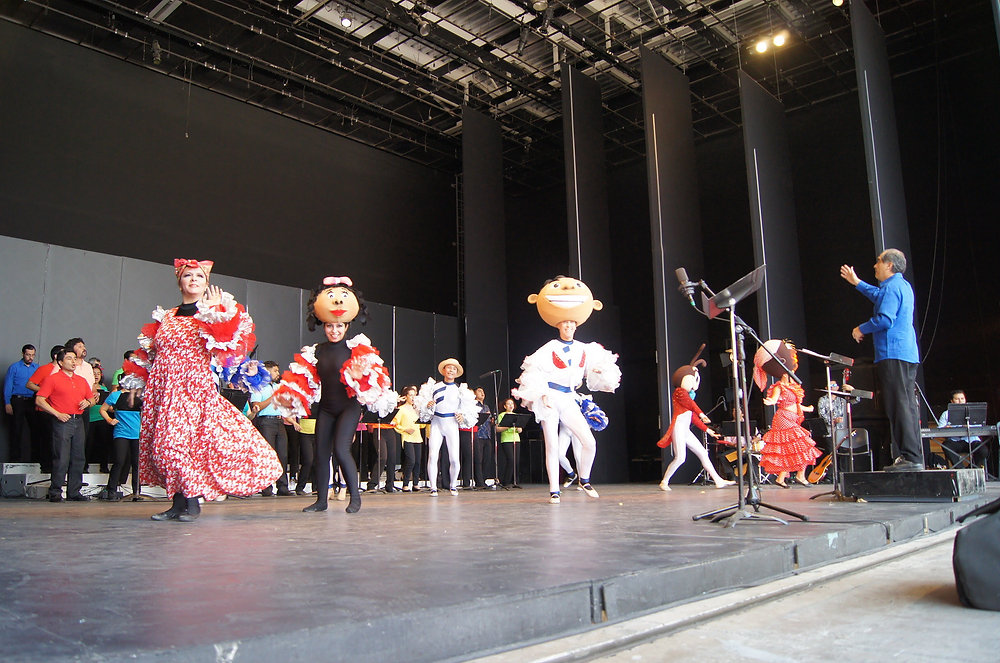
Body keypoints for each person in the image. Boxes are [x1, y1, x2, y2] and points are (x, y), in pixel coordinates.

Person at [120, 258, 283, 522]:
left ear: (206, 283)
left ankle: (192, 501)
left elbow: (228, 348)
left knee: (185, 444)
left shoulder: (210, 314)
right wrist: (137, 384)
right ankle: (177, 502)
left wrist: (219, 315)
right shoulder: (167, 317)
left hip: (193, 387)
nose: (193, 279)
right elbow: (150, 353)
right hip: (163, 389)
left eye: (199, 276)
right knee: (164, 447)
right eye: (188, 275)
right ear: (179, 281)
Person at [273, 276, 395, 514]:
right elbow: (303, 383)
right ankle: (321, 501)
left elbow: (372, 386)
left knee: (341, 450)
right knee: (320, 453)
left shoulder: (356, 349)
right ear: (324, 325)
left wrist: (359, 375)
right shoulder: (316, 351)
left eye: (339, 326)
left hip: (348, 408)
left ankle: (355, 498)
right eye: (330, 326)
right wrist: (289, 400)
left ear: (346, 326)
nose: (334, 330)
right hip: (326, 409)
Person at [513, 276, 621, 504]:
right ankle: (554, 489)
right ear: (559, 325)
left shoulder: (586, 349)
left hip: (569, 398)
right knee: (552, 445)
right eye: (565, 324)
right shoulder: (550, 347)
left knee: (589, 441)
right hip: (551, 397)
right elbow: (533, 370)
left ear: (576, 326)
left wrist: (598, 372)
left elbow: (593, 372)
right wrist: (541, 394)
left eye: (572, 324)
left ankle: (585, 478)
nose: (568, 327)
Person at [840, 249, 923, 471]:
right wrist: (857, 282)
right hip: (905, 353)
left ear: (889, 265)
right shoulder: (899, 286)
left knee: (899, 405)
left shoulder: (893, 287)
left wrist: (861, 328)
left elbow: (885, 319)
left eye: (878, 261)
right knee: (904, 405)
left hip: (894, 353)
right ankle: (913, 456)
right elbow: (879, 297)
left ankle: (910, 458)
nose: (875, 265)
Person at [656, 345, 734, 491]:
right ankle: (664, 481)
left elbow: (692, 417)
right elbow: (691, 404)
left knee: (703, 453)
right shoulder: (679, 393)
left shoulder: (688, 397)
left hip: (685, 431)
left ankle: (718, 480)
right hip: (678, 429)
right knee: (680, 458)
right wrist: (702, 413)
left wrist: (708, 430)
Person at [753, 340, 821, 488]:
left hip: (793, 418)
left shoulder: (793, 387)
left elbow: (795, 404)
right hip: (784, 419)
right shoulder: (779, 387)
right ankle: (800, 476)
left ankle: (782, 478)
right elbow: (775, 399)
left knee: (791, 449)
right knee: (801, 446)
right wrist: (770, 401)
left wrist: (807, 409)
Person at [35, 347, 96, 502]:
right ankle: (55, 491)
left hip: (78, 420)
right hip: (62, 420)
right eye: (69, 358)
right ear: (60, 362)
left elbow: (93, 399)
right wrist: (57, 413)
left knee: (78, 457)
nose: (73, 361)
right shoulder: (53, 379)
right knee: (61, 457)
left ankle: (74, 492)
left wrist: (87, 402)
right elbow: (39, 400)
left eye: (74, 358)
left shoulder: (81, 380)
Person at [417, 359, 479, 496]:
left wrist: (462, 417)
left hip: (452, 424)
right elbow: (423, 404)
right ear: (444, 370)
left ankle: (453, 485)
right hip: (437, 423)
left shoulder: (460, 390)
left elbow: (467, 409)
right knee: (433, 456)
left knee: (454, 458)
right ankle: (433, 487)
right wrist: (428, 406)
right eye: (448, 368)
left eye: (454, 369)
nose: (451, 370)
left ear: (457, 373)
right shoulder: (434, 386)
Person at [250, 361, 293, 496]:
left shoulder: (277, 386)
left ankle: (283, 487)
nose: (277, 374)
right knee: (268, 455)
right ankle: (267, 488)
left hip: (279, 421)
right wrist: (273, 398)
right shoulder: (259, 387)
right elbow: (257, 406)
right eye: (275, 371)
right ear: (267, 372)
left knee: (283, 454)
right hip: (266, 421)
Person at [100, 387, 143, 501]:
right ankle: (111, 490)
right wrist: (110, 420)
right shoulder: (116, 395)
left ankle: (136, 492)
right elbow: (102, 409)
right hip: (121, 432)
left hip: (137, 434)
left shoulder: (140, 396)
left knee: (136, 463)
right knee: (119, 461)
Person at [26, 345, 63, 471]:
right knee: (47, 439)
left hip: (61, 411)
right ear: (56, 356)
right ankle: (46, 467)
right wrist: (45, 391)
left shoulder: (65, 372)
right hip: (45, 409)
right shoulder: (44, 369)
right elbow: (29, 384)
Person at [937, 390, 989, 471]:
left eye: (962, 398)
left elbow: (980, 427)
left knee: (983, 450)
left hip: (971, 441)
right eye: (957, 399)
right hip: (955, 441)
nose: (960, 401)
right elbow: (939, 430)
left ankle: (972, 469)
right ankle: (961, 469)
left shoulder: (973, 412)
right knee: (946, 445)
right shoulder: (946, 414)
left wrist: (968, 425)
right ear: (952, 401)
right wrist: (946, 428)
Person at [4, 344, 39, 463]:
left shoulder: (37, 368)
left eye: (33, 355)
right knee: (16, 430)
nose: (30, 357)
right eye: (28, 355)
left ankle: (35, 459)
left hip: (32, 401)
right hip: (17, 400)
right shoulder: (14, 367)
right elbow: (8, 385)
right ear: (23, 354)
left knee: (35, 430)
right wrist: (7, 402)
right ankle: (15, 459)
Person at [392, 385, 423, 492]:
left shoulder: (417, 409)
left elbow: (421, 425)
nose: (413, 398)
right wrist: (405, 429)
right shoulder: (401, 409)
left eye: (414, 395)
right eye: (410, 395)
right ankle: (405, 483)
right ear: (406, 397)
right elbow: (395, 424)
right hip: (407, 438)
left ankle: (415, 483)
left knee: (418, 461)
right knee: (411, 460)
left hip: (418, 438)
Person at [85, 365, 112, 472]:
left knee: (104, 444)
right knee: (88, 444)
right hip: (90, 418)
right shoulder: (86, 387)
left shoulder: (104, 388)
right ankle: (84, 466)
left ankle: (104, 466)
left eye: (98, 374)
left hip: (102, 418)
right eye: (93, 373)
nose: (96, 376)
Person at [495, 397, 523, 488]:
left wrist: (518, 427)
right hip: (506, 439)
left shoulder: (516, 415)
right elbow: (498, 429)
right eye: (508, 404)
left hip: (516, 439)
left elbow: (520, 430)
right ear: (504, 406)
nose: (511, 405)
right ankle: (506, 481)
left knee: (516, 461)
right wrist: (508, 426)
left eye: (512, 404)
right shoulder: (502, 415)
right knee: (510, 460)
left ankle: (515, 481)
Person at [472, 387, 493, 489]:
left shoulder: (486, 406)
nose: (482, 393)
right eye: (479, 391)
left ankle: (483, 480)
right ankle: (479, 481)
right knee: (478, 459)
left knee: (487, 459)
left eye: (483, 391)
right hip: (478, 434)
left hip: (487, 435)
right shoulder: (474, 405)